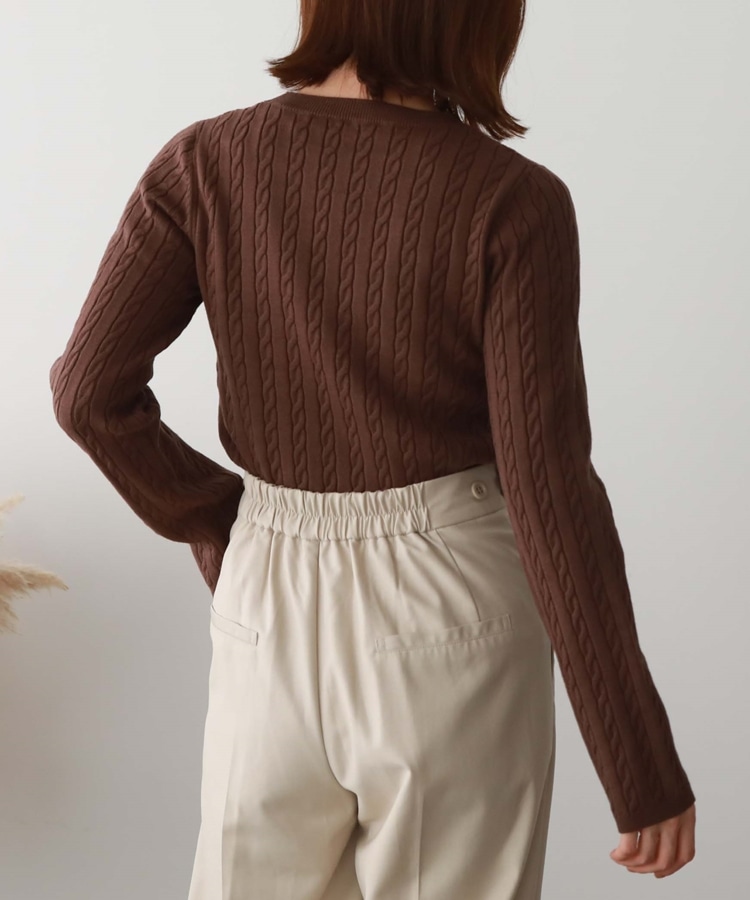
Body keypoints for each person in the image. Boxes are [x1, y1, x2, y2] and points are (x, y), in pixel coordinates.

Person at [49, 1, 696, 896]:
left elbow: (86, 393)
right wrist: (638, 764)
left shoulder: (206, 161)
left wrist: (225, 522)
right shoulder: (511, 200)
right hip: (451, 597)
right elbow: (547, 483)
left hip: (267, 589)